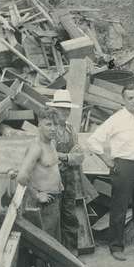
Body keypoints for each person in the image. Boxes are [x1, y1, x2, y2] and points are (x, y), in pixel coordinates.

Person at [87, 83, 134, 261]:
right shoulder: (116, 119)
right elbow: (93, 141)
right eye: (130, 98)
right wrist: (107, 160)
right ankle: (116, 246)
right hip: (123, 166)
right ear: (124, 99)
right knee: (119, 207)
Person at [16, 107, 63, 241]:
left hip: (54, 199)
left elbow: (50, 167)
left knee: (54, 242)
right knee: (46, 244)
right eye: (48, 124)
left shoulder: (51, 143)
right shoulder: (36, 148)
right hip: (42, 204)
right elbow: (21, 177)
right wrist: (37, 195)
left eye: (55, 124)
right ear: (39, 125)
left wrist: (59, 183)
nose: (53, 128)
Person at [47, 89, 84, 254]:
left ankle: (72, 251)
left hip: (69, 177)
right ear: (54, 110)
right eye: (61, 109)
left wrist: (65, 157)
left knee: (69, 213)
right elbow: (50, 155)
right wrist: (69, 157)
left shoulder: (70, 129)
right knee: (53, 213)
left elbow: (80, 156)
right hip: (52, 177)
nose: (65, 112)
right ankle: (56, 252)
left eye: (67, 109)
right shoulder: (49, 129)